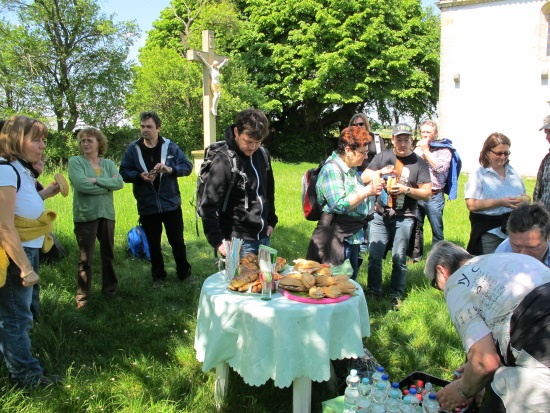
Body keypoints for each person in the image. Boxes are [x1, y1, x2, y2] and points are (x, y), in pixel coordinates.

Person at [425, 241, 550, 413]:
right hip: (538, 325)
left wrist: (462, 389)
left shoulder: (456, 283)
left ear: (442, 271)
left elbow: (486, 362)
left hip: (541, 349)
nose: (440, 289)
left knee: (505, 388)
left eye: (435, 283)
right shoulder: (501, 258)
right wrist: (474, 371)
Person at [0, 115, 61, 388]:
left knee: (18, 315)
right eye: (36, 140)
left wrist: (46, 193)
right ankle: (27, 377)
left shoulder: (18, 168)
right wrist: (25, 267)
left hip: (28, 247)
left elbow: (23, 204)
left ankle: (18, 368)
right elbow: (3, 226)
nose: (42, 146)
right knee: (16, 318)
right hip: (15, 254)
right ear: (15, 140)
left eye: (43, 140)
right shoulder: (4, 170)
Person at [120, 112, 193, 288]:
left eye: (149, 127)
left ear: (158, 128)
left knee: (177, 242)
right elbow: (124, 172)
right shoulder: (133, 149)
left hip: (171, 204)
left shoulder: (170, 147)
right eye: (142, 126)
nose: (145, 130)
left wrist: (170, 170)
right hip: (148, 206)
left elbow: (187, 166)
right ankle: (158, 277)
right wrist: (139, 176)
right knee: (153, 244)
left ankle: (185, 274)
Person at [361, 123, 431, 305]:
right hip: (380, 214)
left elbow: (427, 193)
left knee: (399, 257)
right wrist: (380, 172)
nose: (402, 143)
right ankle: (373, 292)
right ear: (392, 140)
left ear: (411, 141)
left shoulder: (419, 163)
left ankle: (395, 295)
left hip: (405, 215)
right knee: (375, 255)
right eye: (398, 139)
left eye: (406, 139)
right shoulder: (383, 156)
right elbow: (363, 177)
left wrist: (406, 189)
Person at [305, 126, 382, 280]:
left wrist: (370, 200)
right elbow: (338, 204)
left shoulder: (351, 168)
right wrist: (367, 191)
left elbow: (355, 196)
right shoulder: (332, 169)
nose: (365, 157)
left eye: (366, 152)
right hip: (336, 237)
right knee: (335, 284)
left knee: (349, 283)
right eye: (362, 153)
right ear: (348, 149)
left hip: (352, 235)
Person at [198, 108, 277, 258]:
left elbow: (268, 191)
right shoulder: (223, 161)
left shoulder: (263, 155)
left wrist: (272, 221)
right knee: (240, 282)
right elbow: (207, 205)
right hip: (237, 241)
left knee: (265, 281)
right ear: (236, 132)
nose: (253, 147)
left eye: (258, 142)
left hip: (263, 235)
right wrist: (218, 241)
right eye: (248, 141)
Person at [68, 128, 124, 308]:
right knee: (86, 259)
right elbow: (81, 185)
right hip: (86, 215)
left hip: (107, 214)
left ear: (99, 143)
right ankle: (82, 297)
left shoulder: (107, 164)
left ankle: (110, 291)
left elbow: (119, 183)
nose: (85, 144)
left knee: (108, 255)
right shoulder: (76, 162)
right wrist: (107, 185)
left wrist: (96, 180)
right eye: (82, 141)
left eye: (89, 140)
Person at [464, 132, 527, 255]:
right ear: (487, 152)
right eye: (499, 153)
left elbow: (523, 194)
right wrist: (500, 202)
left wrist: (525, 200)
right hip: (489, 230)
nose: (503, 157)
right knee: (488, 267)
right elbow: (471, 205)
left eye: (506, 153)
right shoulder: (479, 174)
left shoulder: (513, 172)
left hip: (513, 229)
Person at [410, 120, 461, 262]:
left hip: (434, 195)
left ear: (436, 134)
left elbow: (440, 168)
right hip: (417, 193)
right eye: (423, 132)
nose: (425, 135)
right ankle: (415, 257)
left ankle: (437, 259)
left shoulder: (445, 150)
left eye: (428, 132)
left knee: (437, 230)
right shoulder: (418, 148)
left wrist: (426, 151)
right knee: (416, 227)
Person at [495, 202, 550, 267]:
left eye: (532, 247)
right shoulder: (502, 253)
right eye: (517, 246)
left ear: (548, 237)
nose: (523, 254)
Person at [197, 52, 229, 116]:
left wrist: (224, 61)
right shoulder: (211, 69)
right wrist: (200, 56)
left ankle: (215, 108)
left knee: (218, 96)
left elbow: (222, 64)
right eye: (215, 64)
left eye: (217, 64)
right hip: (214, 84)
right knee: (216, 96)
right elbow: (205, 62)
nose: (216, 65)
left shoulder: (217, 69)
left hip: (218, 84)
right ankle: (213, 108)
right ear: (213, 64)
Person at [534, 115, 550, 210]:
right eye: (546, 133)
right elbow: (537, 192)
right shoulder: (547, 160)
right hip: (545, 221)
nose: (547, 137)